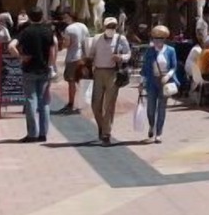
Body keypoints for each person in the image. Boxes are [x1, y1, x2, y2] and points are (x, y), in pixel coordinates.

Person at [8, 10, 57, 143]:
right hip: (44, 70)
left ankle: (32, 134)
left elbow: (11, 46)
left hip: (29, 69)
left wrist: (21, 57)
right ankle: (43, 133)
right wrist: (51, 67)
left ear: (29, 17)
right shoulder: (48, 31)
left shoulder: (26, 31)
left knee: (31, 100)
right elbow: (53, 52)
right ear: (42, 17)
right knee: (44, 102)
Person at [86, 17, 131, 146]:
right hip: (98, 72)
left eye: (113, 26)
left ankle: (106, 133)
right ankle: (102, 125)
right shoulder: (97, 38)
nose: (111, 29)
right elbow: (91, 54)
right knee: (95, 103)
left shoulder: (120, 39)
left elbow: (128, 54)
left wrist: (121, 57)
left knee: (109, 104)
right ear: (104, 27)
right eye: (109, 26)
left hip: (113, 73)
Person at [139, 25, 179, 143]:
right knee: (151, 108)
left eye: (160, 39)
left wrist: (168, 76)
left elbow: (174, 66)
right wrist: (142, 83)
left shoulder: (170, 50)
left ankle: (159, 133)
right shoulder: (149, 51)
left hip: (164, 82)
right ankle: (152, 125)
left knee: (161, 108)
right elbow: (145, 68)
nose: (157, 41)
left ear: (164, 39)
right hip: (152, 81)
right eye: (155, 39)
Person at [58, 11, 89, 115]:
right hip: (83, 56)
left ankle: (71, 104)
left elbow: (67, 44)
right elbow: (87, 41)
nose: (64, 20)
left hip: (72, 57)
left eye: (65, 17)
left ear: (71, 17)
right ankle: (80, 104)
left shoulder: (69, 29)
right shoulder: (84, 26)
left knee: (71, 82)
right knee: (81, 82)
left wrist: (61, 43)